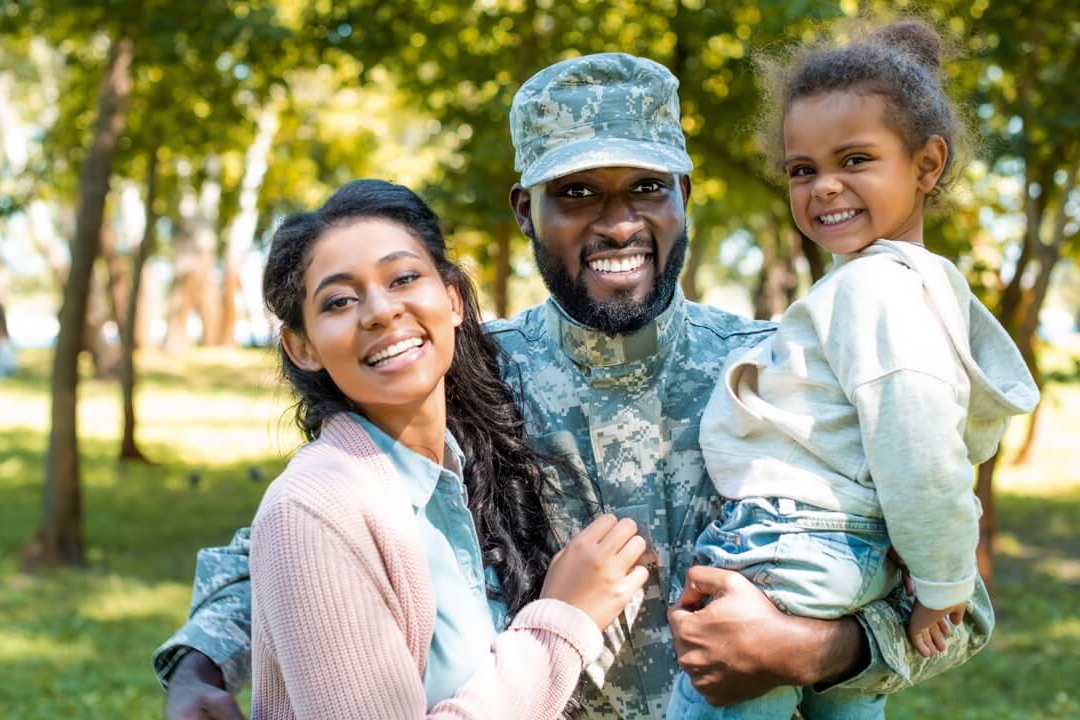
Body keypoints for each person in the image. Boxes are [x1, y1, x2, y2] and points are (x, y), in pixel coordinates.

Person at [156, 53, 996, 720]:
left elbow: (961, 608)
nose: (618, 221)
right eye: (577, 194)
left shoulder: (782, 371)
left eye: (645, 188)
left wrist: (808, 651)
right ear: (526, 211)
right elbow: (313, 530)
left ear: (685, 198)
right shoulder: (466, 371)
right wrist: (197, 665)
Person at [666, 21, 1038, 720]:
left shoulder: (874, 290)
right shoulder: (913, 286)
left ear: (927, 165)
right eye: (802, 169)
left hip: (790, 546)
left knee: (720, 697)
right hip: (855, 556)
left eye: (856, 159)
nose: (824, 187)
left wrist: (944, 582)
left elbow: (919, 449)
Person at [248, 178, 650, 719]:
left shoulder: (462, 465)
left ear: (454, 299)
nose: (380, 311)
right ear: (302, 346)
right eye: (340, 300)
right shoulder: (315, 509)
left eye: (404, 278)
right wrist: (562, 620)